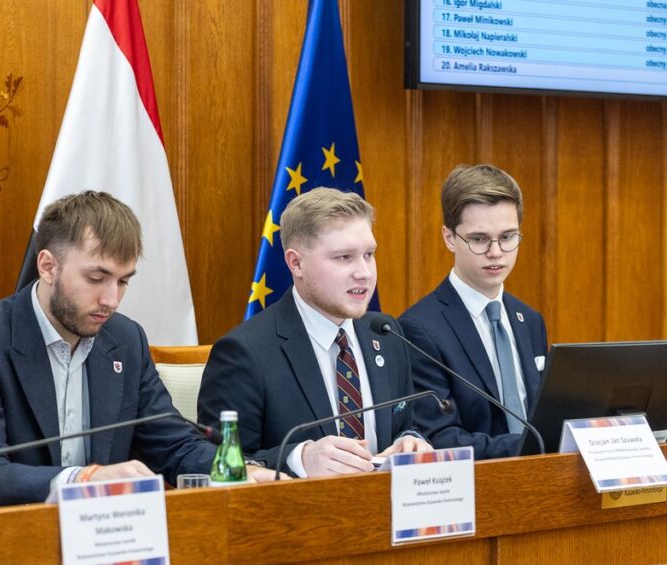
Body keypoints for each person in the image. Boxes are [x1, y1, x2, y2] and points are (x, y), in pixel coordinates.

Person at [0, 190, 276, 506]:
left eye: (123, 281)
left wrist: (246, 470)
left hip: (115, 541)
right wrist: (87, 478)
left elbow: (173, 443)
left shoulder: (126, 340)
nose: (111, 300)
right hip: (18, 540)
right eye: (96, 279)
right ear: (48, 267)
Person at [198, 188, 431, 478]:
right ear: (296, 263)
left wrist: (409, 442)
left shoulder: (385, 333)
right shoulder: (244, 353)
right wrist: (300, 458)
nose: (365, 273)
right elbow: (217, 464)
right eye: (344, 257)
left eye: (369, 255)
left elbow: (407, 423)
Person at [398, 164, 548, 459]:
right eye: (479, 239)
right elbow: (439, 437)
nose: (496, 252)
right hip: (472, 490)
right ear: (449, 237)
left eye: (507, 237)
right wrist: (536, 448)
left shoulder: (529, 320)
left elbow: (543, 414)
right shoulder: (419, 329)